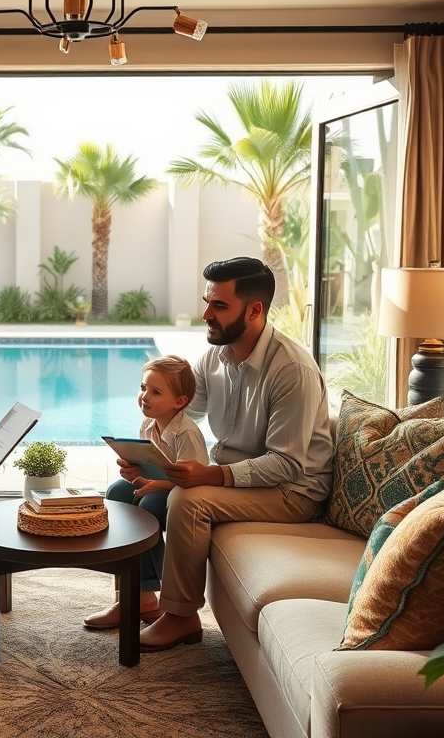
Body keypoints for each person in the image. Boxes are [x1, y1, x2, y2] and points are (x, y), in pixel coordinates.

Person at [130, 257, 334, 653]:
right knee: (126, 490)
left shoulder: (292, 370)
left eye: (219, 306)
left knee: (187, 500)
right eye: (207, 302)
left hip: (293, 491)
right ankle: (139, 599)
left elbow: (287, 464)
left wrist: (208, 476)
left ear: (254, 310)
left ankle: (181, 616)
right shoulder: (215, 357)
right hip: (241, 476)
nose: (206, 314)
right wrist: (146, 457)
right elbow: (182, 414)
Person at [83, 355, 209, 630]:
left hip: (182, 492)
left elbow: (195, 482)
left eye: (155, 392)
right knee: (116, 493)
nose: (144, 397)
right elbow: (150, 466)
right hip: (156, 485)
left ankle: (152, 591)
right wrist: (133, 472)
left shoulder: (186, 434)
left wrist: (157, 486)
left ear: (179, 401)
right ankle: (139, 596)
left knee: (148, 506)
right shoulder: (148, 426)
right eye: (143, 388)